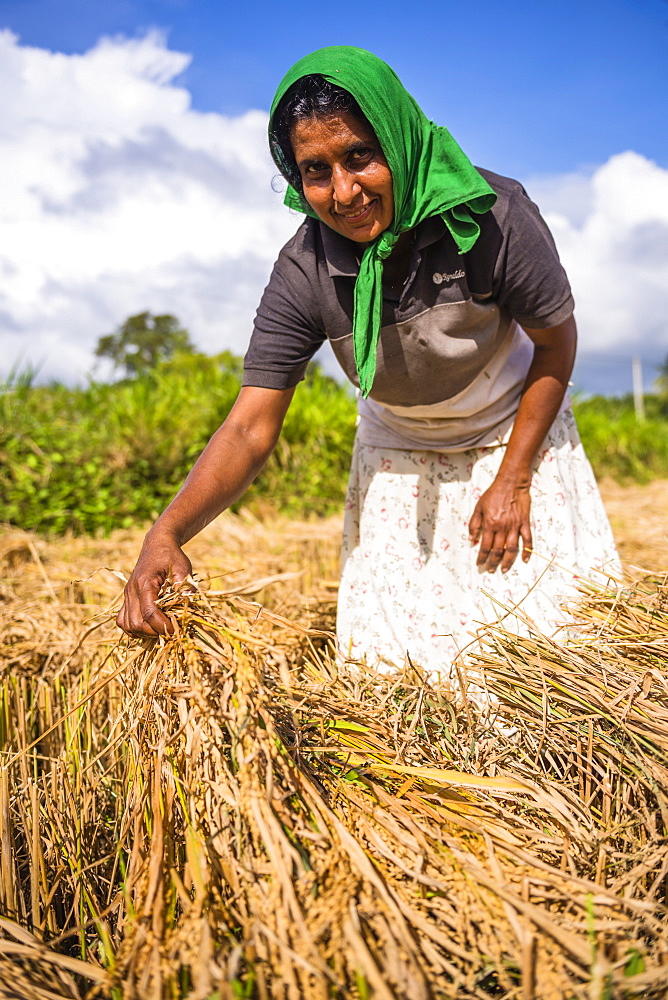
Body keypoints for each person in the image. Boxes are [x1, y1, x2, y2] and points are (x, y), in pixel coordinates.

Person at [117, 46, 619, 674]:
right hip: (398, 440)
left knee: (547, 649)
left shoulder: (494, 216)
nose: (344, 192)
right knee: (398, 667)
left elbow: (555, 345)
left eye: (360, 156)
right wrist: (167, 532)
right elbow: (249, 426)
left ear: (399, 138)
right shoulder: (304, 269)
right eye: (316, 171)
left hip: (513, 425)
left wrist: (514, 478)